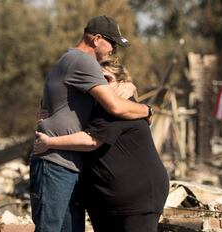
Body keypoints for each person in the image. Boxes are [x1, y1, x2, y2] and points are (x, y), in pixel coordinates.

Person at [30, 16, 153, 232]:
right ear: (96, 39)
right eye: (112, 44)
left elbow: (49, 105)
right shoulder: (83, 61)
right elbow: (115, 107)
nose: (113, 51)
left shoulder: (68, 60)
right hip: (56, 163)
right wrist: (147, 110)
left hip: (67, 165)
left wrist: (128, 85)